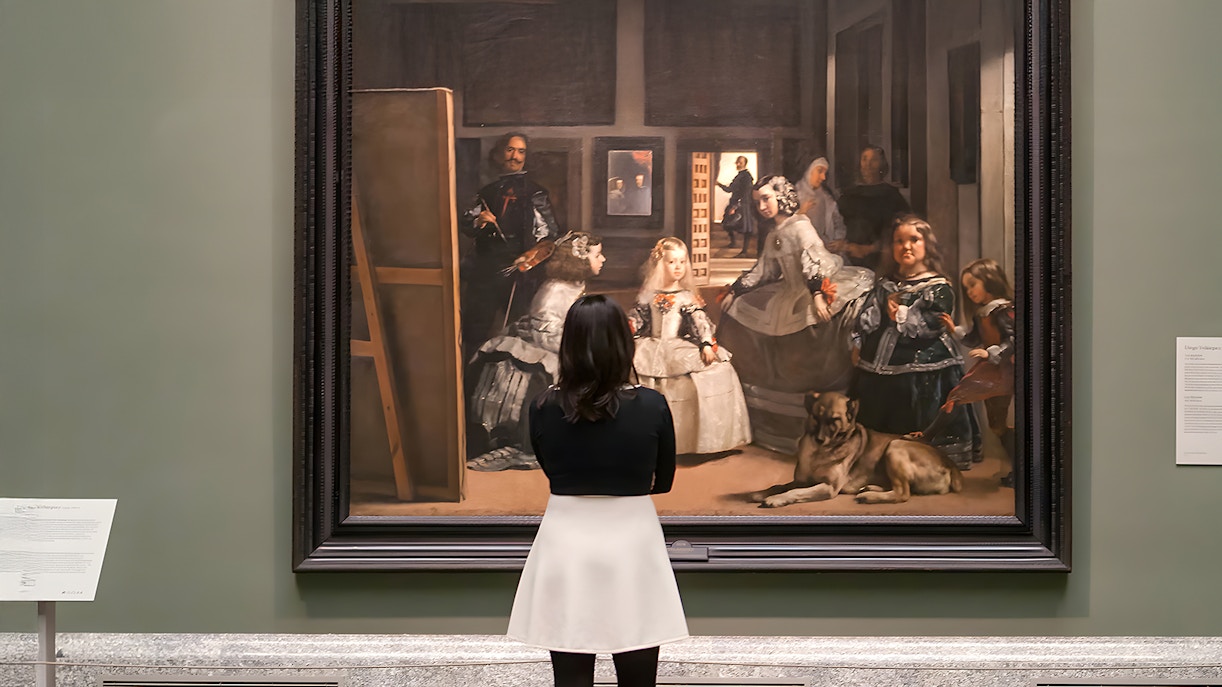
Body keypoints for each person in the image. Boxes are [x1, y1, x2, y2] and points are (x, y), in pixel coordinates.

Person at [508, 294, 688, 687]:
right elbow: (665, 481)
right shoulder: (653, 405)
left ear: (568, 343)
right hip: (633, 541)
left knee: (570, 681)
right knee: (638, 679)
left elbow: (549, 467)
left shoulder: (542, 406)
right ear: (623, 344)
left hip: (566, 539)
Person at [716, 175, 874, 451]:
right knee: (740, 310)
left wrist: (817, 294)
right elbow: (764, 271)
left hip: (813, 285)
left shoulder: (801, 226)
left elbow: (815, 262)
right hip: (788, 291)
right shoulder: (773, 234)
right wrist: (736, 290)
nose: (763, 206)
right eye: (758, 202)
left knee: (813, 326)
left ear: (781, 197)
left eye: (767, 198)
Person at [466, 232, 606, 471]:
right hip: (539, 346)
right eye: (597, 254)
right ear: (580, 258)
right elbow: (545, 333)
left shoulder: (573, 285)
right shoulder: (555, 290)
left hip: (556, 344)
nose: (603, 259)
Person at [849, 216, 981, 469]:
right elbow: (865, 318)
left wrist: (900, 314)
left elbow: (933, 324)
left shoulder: (938, 286)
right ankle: (879, 458)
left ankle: (925, 461)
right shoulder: (885, 284)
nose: (906, 246)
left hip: (925, 364)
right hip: (879, 365)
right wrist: (858, 341)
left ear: (926, 246)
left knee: (920, 408)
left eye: (914, 240)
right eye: (899, 241)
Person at [629, 237, 751, 454]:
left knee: (718, 369)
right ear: (660, 264)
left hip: (677, 345)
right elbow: (637, 319)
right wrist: (627, 333)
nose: (678, 267)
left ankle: (695, 441)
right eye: (672, 262)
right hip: (652, 344)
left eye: (682, 262)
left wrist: (705, 343)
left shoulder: (686, 297)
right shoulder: (648, 294)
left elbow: (700, 322)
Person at [461, 132, 561, 362]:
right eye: (510, 150)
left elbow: (550, 235)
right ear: (499, 154)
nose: (515, 156)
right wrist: (478, 221)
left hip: (520, 274)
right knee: (475, 332)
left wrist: (529, 257)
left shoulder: (536, 193)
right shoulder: (486, 192)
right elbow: (467, 223)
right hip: (485, 272)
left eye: (521, 151)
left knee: (517, 332)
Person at [914, 258, 1016, 483]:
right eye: (966, 287)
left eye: (973, 285)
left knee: (957, 396)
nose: (969, 292)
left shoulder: (1002, 310)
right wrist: (954, 330)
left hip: (1003, 368)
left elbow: (1013, 341)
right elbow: (972, 338)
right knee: (997, 426)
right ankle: (1021, 468)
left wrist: (990, 353)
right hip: (992, 367)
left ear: (989, 280)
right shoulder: (983, 313)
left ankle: (927, 436)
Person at [833, 145, 911, 271]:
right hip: (849, 259)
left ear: (882, 164)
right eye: (864, 159)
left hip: (880, 261)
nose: (868, 165)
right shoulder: (849, 195)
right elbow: (837, 224)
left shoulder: (891, 195)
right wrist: (844, 246)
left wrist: (868, 249)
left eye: (874, 160)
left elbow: (900, 231)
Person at [795, 157, 847, 255]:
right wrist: (800, 213)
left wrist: (838, 240)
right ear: (808, 171)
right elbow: (782, 231)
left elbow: (838, 224)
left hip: (825, 253)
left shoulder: (827, 198)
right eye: (819, 171)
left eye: (825, 173)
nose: (823, 177)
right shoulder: (793, 195)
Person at [717, 155, 755, 253]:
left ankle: (744, 251)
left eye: (740, 163)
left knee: (746, 228)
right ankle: (733, 243)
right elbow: (730, 189)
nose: (738, 164)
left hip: (742, 205)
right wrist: (719, 184)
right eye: (737, 162)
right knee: (726, 224)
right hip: (736, 203)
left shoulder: (746, 176)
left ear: (744, 164)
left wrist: (735, 206)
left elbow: (746, 193)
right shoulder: (740, 175)